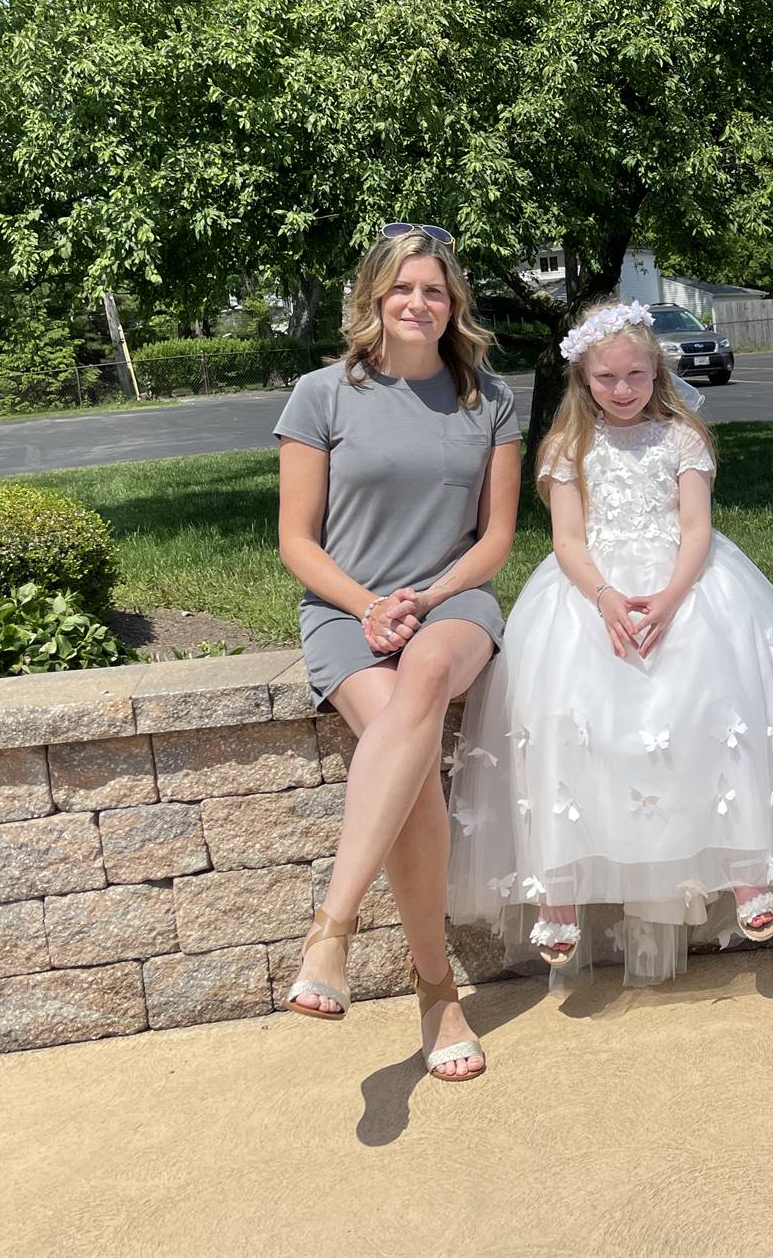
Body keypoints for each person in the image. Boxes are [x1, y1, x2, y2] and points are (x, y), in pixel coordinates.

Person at [446, 302, 773, 987]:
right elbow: (569, 540)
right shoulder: (566, 449)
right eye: (606, 377)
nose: (622, 388)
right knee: (567, 716)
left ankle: (746, 869)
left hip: (683, 581)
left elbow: (696, 527)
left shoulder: (681, 439)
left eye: (635, 374)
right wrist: (607, 599)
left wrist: (671, 596)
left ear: (655, 370)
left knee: (711, 705)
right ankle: (559, 887)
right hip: (592, 591)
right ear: (584, 379)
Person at [274, 222, 520, 1083]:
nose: (419, 304)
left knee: (421, 677)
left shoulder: (487, 399)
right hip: (346, 612)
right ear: (375, 297)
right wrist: (369, 604)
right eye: (403, 289)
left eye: (435, 291)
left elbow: (494, 540)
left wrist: (430, 597)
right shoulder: (321, 394)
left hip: (453, 603)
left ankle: (330, 930)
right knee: (413, 771)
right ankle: (435, 989)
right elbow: (297, 542)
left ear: (454, 304)